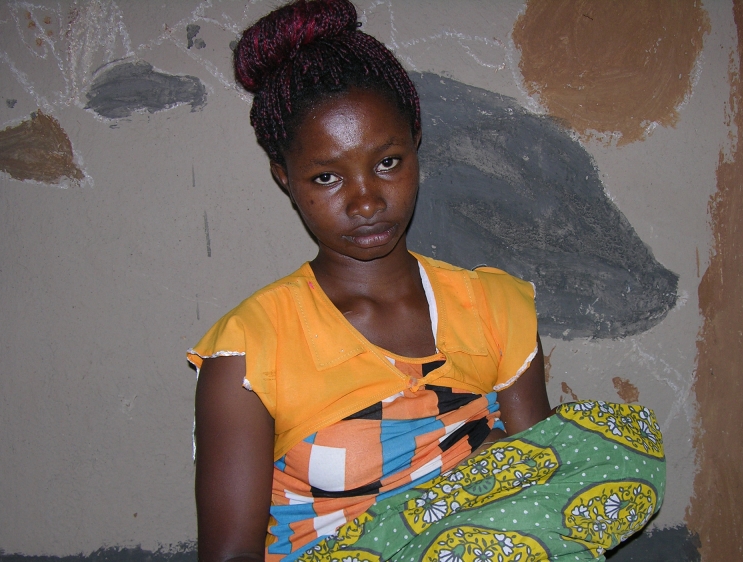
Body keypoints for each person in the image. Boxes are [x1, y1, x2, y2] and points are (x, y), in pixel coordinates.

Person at [187, 1, 665, 560]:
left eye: (387, 162)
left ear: (415, 147)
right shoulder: (247, 353)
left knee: (620, 443)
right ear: (285, 179)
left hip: (478, 545)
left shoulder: (494, 306)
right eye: (326, 176)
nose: (365, 200)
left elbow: (541, 483)